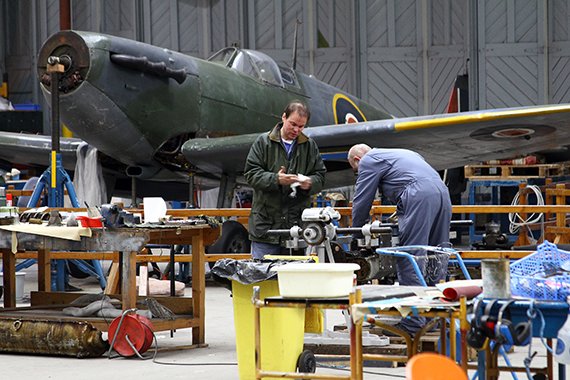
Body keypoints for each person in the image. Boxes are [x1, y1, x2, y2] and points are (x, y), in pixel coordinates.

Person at [348, 144, 452, 334]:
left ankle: (414, 323)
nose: (359, 173)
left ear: (357, 160)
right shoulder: (405, 152)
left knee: (410, 255)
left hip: (418, 195)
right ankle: (435, 317)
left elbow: (363, 199)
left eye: (357, 171)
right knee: (436, 254)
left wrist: (356, 234)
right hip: (442, 193)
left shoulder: (369, 160)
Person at [244, 101, 326, 259]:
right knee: (263, 278)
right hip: (266, 229)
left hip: (296, 229)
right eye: (293, 124)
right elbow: (251, 174)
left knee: (294, 281)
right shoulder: (263, 142)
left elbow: (320, 176)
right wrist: (276, 179)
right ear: (283, 117)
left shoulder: (309, 146)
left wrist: (309, 183)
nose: (296, 130)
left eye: (301, 126)